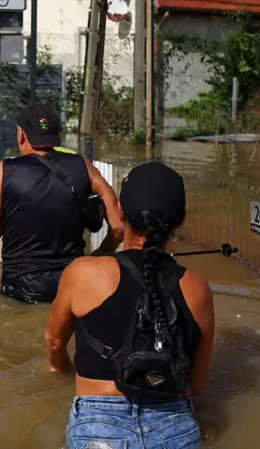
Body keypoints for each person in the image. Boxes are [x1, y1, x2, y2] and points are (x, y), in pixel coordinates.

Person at [44, 161, 216, 449]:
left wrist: (61, 370)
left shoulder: (84, 272)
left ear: (121, 211)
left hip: (98, 428)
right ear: (181, 219)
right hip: (175, 429)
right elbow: (196, 386)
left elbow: (53, 343)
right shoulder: (198, 287)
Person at [0, 101, 124, 304]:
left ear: (21, 134)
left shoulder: (4, 171)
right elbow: (117, 226)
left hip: (19, 290)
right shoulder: (84, 167)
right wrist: (102, 252)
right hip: (72, 286)